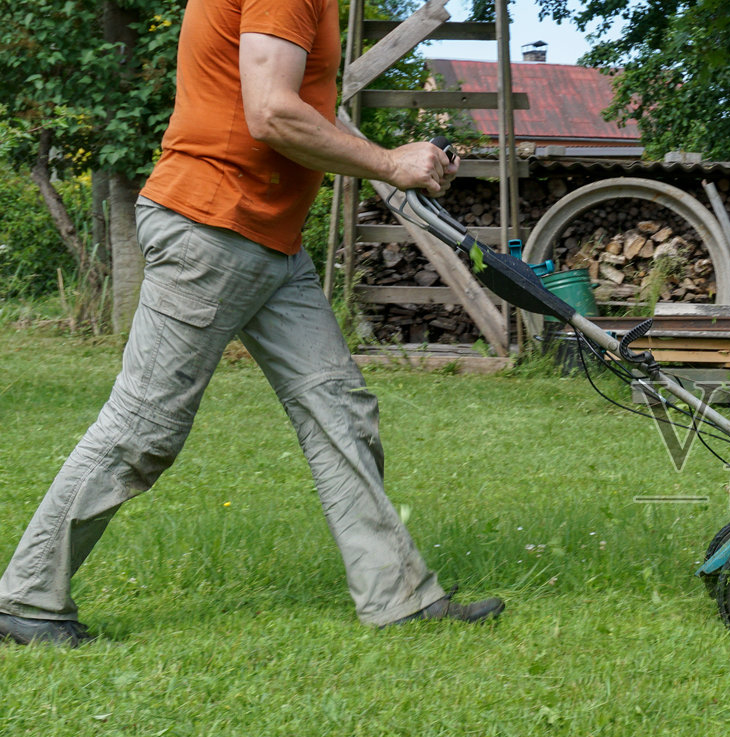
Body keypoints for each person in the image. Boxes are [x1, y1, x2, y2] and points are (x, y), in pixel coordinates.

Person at [0, 0, 503, 646]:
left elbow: (303, 109)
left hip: (270, 240)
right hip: (213, 227)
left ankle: (397, 595)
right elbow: (269, 110)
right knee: (144, 426)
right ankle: (28, 598)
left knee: (339, 410)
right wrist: (387, 162)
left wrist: (402, 155)